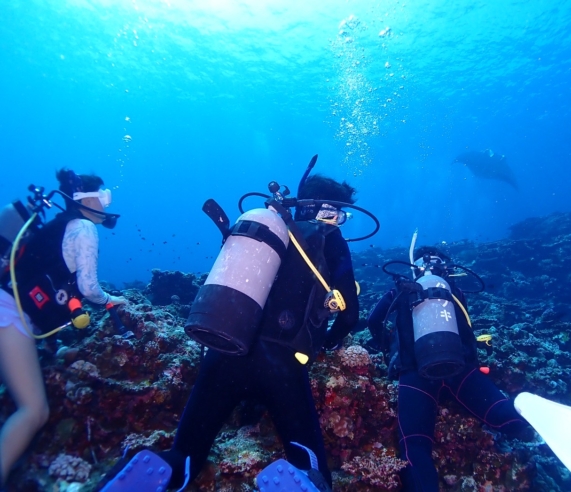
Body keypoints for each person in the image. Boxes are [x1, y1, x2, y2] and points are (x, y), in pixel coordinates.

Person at [151, 174, 360, 489]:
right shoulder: (330, 239)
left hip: (224, 349)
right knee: (309, 468)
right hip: (281, 366)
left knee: (183, 456)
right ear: (326, 209)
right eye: (338, 213)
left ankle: (155, 473)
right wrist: (330, 343)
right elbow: (350, 314)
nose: (339, 221)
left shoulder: (265, 227)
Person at [0, 169, 125, 489]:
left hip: (10, 307)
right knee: (34, 411)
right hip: (9, 313)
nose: (107, 203)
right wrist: (112, 300)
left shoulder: (60, 225)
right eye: (104, 196)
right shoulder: (84, 228)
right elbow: (88, 287)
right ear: (86, 199)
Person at [368, 246, 528, 492]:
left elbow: (373, 320)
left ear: (415, 268)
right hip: (460, 370)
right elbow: (465, 330)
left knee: (415, 446)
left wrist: (388, 347)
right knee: (499, 412)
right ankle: (533, 418)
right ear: (445, 268)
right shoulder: (453, 291)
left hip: (415, 375)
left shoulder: (399, 291)